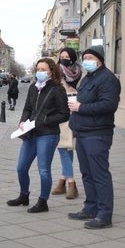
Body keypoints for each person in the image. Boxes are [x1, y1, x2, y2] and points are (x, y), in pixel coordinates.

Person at [67, 45, 121, 229]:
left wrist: (80, 107)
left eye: (90, 57)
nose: (87, 60)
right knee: (87, 174)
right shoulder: (89, 78)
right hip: (83, 133)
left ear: (99, 60)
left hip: (97, 134)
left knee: (100, 175)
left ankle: (105, 215)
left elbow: (108, 105)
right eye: (85, 57)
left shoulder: (108, 79)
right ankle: (91, 208)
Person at [6, 59, 70, 213]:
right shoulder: (33, 88)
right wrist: (22, 121)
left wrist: (46, 120)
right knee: (21, 167)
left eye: (43, 69)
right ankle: (24, 195)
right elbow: (28, 108)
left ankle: (43, 201)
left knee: (44, 170)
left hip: (48, 134)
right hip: (31, 133)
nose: (39, 71)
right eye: (38, 69)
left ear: (51, 71)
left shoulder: (57, 89)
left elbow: (64, 114)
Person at [52, 47, 82, 199]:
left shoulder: (80, 72)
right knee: (64, 148)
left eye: (67, 56)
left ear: (72, 58)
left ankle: (63, 182)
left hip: (77, 115)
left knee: (69, 149)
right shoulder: (57, 74)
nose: (64, 59)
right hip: (61, 116)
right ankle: (71, 184)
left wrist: (75, 94)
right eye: (61, 56)